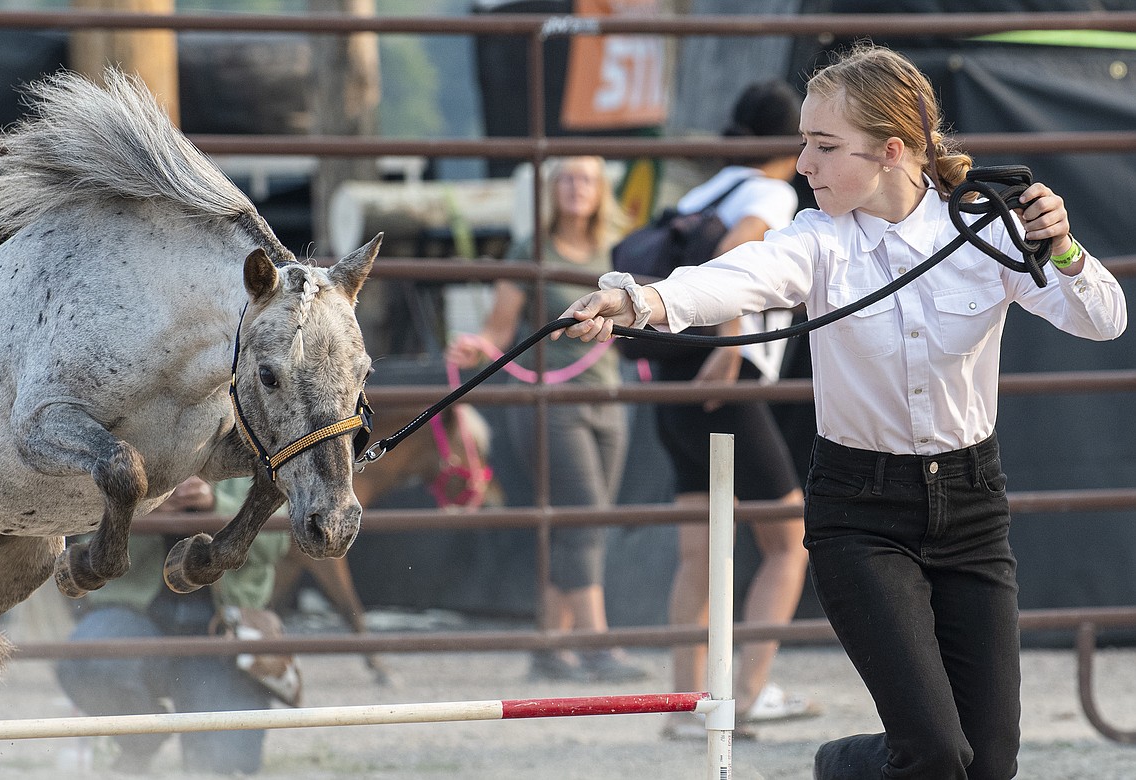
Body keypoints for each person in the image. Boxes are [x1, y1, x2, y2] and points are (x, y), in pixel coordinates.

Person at [553, 43, 1127, 779]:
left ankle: (845, 766)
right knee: (935, 755)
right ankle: (845, 766)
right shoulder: (818, 239)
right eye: (803, 142)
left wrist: (1066, 248)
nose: (803, 163)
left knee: (989, 765)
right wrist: (641, 298)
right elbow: (739, 276)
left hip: (972, 508)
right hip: (860, 512)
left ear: (892, 151)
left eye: (823, 146)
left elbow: (1104, 319)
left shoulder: (988, 231)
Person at [654, 79, 817, 742]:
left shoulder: (705, 188)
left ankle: (684, 706)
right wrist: (729, 343)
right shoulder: (772, 192)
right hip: (726, 378)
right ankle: (745, 698)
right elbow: (733, 260)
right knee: (788, 541)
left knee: (699, 551)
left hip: (672, 383)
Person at [445, 155, 643, 682]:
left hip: (608, 400)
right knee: (585, 520)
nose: (578, 189)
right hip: (550, 406)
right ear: (554, 190)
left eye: (588, 180)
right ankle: (596, 644)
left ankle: (549, 647)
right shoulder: (530, 249)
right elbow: (498, 329)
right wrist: (476, 348)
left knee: (575, 524)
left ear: (602, 192)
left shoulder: (617, 253)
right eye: (568, 180)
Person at [56, 477, 298, 775]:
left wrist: (214, 507)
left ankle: (153, 738)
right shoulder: (128, 441)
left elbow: (276, 544)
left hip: (221, 629)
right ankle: (142, 739)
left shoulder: (252, 442)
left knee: (224, 766)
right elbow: (81, 532)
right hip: (133, 613)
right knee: (86, 661)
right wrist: (142, 511)